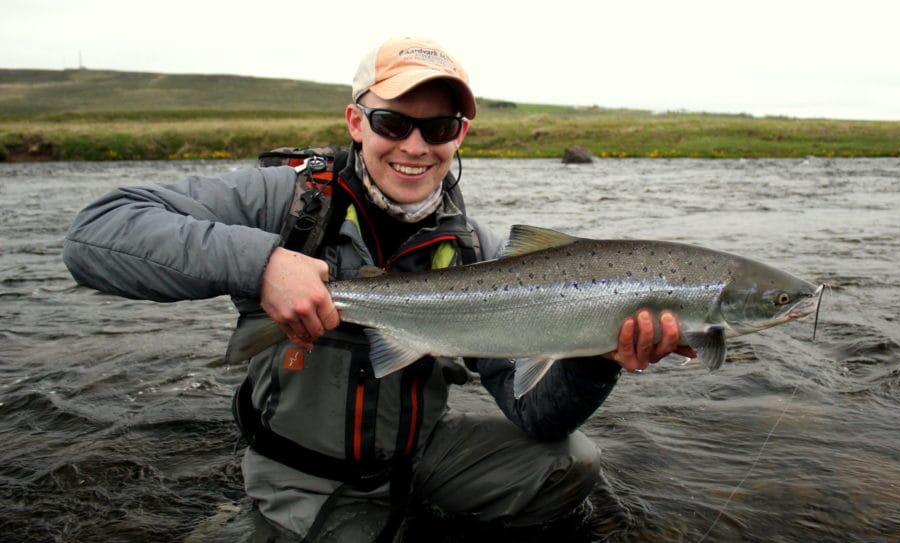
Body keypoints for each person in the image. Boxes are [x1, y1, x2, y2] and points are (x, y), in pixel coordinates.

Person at [62, 37, 691, 541]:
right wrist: (263, 265)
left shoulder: (475, 246)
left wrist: (599, 356)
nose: (415, 146)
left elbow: (536, 415)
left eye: (440, 127)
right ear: (356, 122)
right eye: (393, 121)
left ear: (460, 135)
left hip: (415, 459)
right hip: (303, 478)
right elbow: (95, 236)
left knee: (568, 464)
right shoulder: (284, 201)